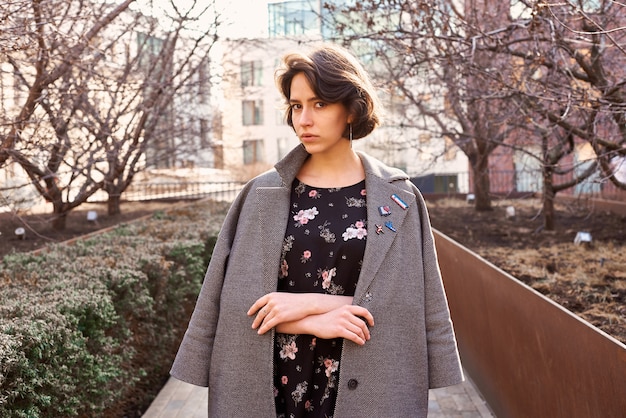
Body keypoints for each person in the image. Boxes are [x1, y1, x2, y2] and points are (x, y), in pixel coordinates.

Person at [170, 43, 463, 417]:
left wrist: (319, 303)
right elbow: (232, 305)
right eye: (296, 106)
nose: (304, 119)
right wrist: (314, 319)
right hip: (275, 382)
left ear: (352, 109)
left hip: (367, 383)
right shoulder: (261, 195)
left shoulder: (400, 199)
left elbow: (410, 309)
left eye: (319, 104)